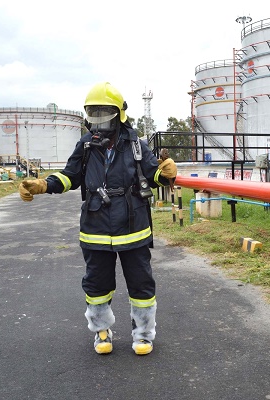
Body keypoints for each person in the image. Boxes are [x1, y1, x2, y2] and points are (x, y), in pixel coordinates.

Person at [18, 82, 177, 356]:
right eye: (94, 113)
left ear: (118, 115)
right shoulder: (86, 145)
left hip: (133, 227)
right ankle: (101, 331)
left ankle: (143, 334)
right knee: (96, 285)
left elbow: (153, 176)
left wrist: (166, 173)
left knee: (141, 283)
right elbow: (70, 176)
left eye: (104, 112)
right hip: (95, 227)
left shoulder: (136, 146)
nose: (99, 120)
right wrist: (44, 184)